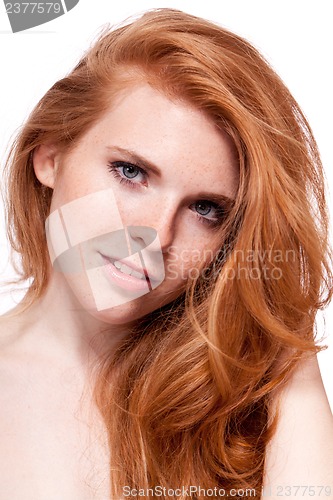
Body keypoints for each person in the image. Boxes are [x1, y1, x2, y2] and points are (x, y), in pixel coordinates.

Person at [0, 8, 332, 500]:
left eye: (206, 209)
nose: (155, 237)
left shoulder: (240, 400)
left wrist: (285, 338)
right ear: (50, 156)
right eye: (130, 172)